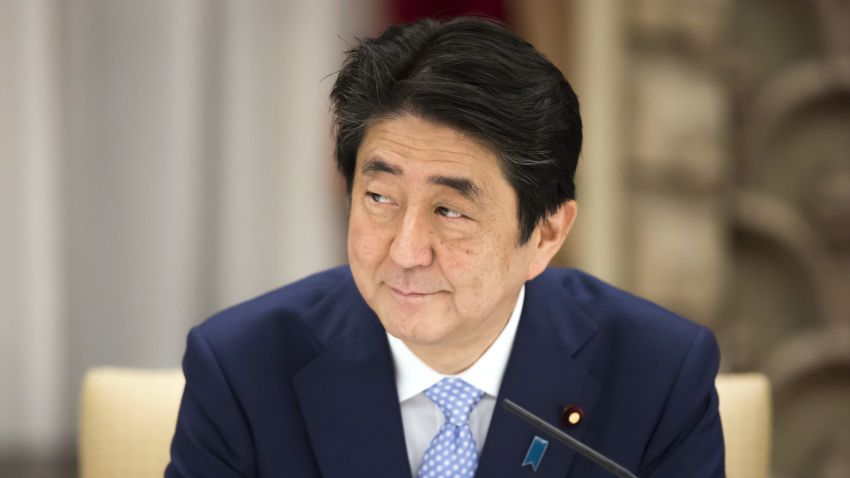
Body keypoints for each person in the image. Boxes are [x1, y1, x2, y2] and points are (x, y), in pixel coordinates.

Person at [166, 16, 724, 478]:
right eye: (380, 197)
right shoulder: (241, 369)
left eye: (450, 210)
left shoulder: (660, 375)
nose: (406, 252)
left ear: (546, 234)